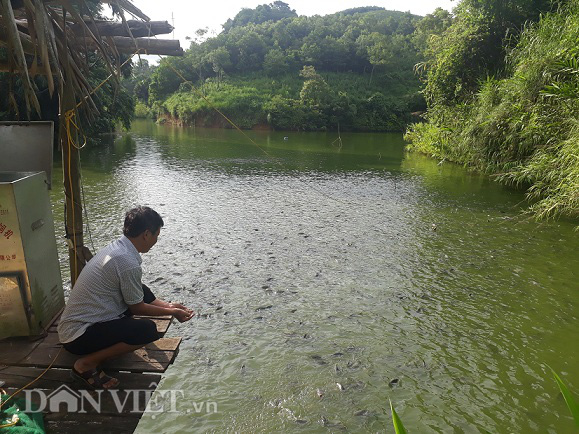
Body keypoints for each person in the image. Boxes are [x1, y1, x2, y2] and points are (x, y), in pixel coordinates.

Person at [57, 206, 194, 390]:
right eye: (156, 235)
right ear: (146, 234)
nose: (156, 241)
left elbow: (137, 290)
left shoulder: (119, 248)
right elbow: (138, 308)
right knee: (147, 331)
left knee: (136, 286)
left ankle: (165, 307)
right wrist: (172, 312)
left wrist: (167, 306)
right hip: (78, 336)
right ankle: (86, 364)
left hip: (77, 325)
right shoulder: (127, 262)